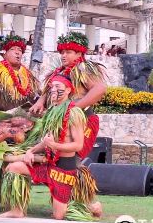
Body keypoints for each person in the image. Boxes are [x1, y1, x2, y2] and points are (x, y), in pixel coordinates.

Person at [0, 75, 98, 220]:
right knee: (14, 168)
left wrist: (54, 145)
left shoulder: (74, 113)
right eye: (52, 86)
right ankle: (17, 210)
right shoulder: (52, 111)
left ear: (69, 89)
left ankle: (92, 208)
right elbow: (47, 141)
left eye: (59, 86)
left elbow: (78, 145)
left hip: (63, 169)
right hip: (48, 164)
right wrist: (30, 151)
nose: (54, 89)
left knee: (59, 216)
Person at [0, 34, 39, 210]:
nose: (18, 54)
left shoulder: (27, 74)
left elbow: (34, 95)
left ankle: (13, 197)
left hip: (19, 121)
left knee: (15, 156)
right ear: (5, 52)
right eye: (14, 50)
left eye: (20, 51)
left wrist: (40, 104)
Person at [29, 31, 106, 161]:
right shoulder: (60, 70)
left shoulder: (83, 68)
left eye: (68, 52)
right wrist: (41, 101)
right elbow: (50, 89)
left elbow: (99, 89)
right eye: (62, 52)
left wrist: (73, 108)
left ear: (79, 53)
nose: (63, 56)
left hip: (81, 121)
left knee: (68, 160)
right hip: (62, 121)